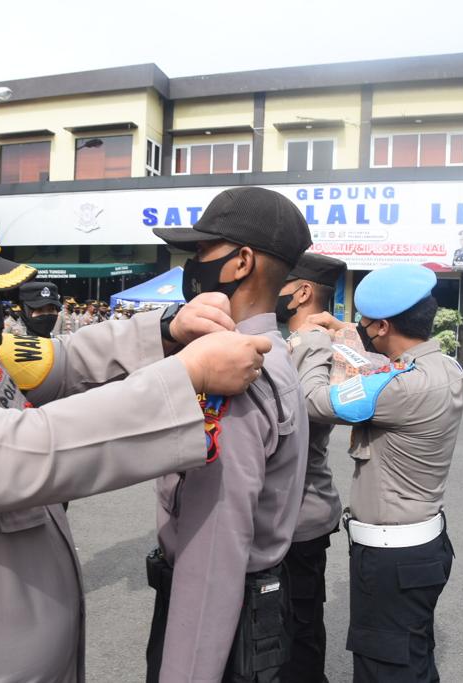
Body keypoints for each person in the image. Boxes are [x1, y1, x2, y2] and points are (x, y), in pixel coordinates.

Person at [0, 206, 274, 683]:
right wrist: (187, 376)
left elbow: (66, 360)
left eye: (0, 293)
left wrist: (167, 331)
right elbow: (24, 452)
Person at [146, 186, 311, 683]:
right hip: (248, 611)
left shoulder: (235, 371)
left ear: (241, 262)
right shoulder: (266, 351)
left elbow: (212, 552)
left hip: (221, 620)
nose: (191, 266)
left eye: (200, 252)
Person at [294, 263, 463, 683]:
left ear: (384, 325)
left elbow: (314, 399)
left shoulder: (399, 388)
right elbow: (379, 362)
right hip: (419, 547)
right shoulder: (442, 367)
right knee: (411, 657)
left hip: (392, 558)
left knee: (386, 668)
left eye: (369, 324)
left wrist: (313, 341)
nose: (365, 330)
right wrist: (347, 330)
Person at [275, 252, 347, 683]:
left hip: (300, 507)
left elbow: (303, 414)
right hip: (298, 505)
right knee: (292, 616)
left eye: (278, 285)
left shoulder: (312, 343)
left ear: (301, 292)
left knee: (297, 620)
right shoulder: (303, 342)